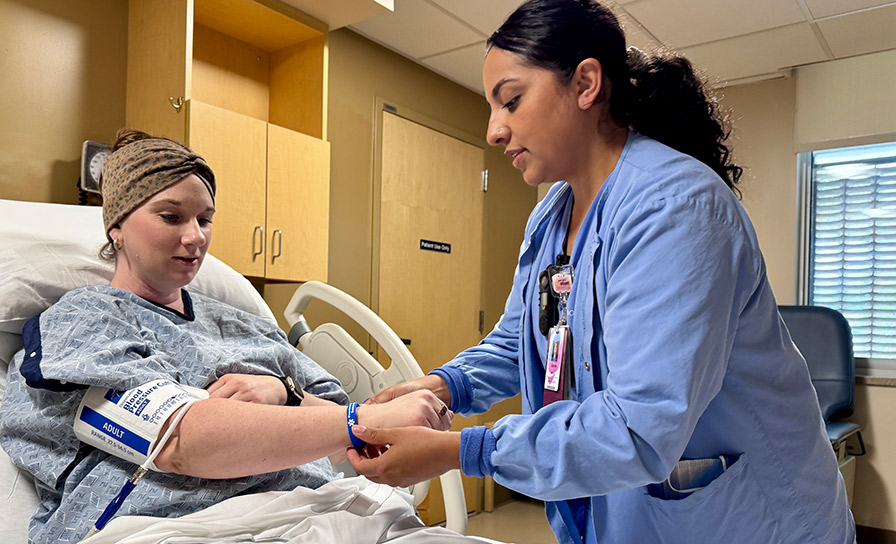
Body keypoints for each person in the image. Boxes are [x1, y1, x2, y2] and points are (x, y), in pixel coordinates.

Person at [346, 1, 856, 542]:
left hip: (758, 521)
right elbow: (520, 341)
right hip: (632, 513)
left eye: (512, 101)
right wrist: (441, 385)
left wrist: (460, 451)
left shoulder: (676, 208)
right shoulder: (552, 216)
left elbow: (637, 428)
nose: (495, 130)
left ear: (586, 83)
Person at [0, 129, 453, 543]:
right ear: (116, 227)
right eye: (171, 216)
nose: (195, 237)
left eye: (205, 219)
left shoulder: (247, 325)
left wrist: (286, 395)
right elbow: (177, 443)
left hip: (328, 510)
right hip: (176, 524)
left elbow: (335, 431)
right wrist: (361, 422)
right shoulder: (87, 321)